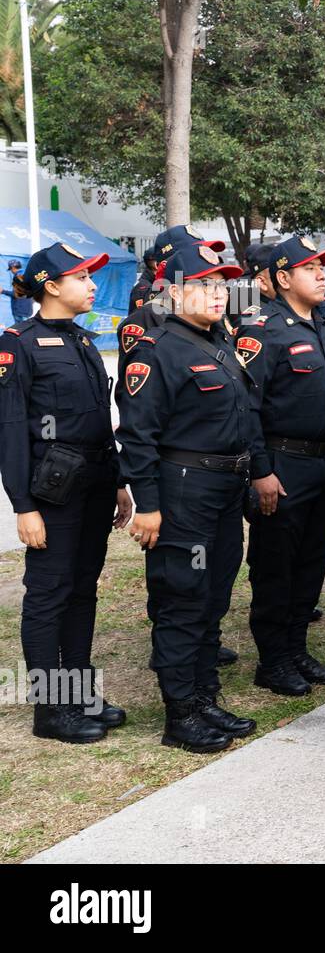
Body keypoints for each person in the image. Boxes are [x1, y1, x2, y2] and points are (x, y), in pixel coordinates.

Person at [116, 242, 258, 753]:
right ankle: (181, 714)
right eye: (203, 285)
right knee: (181, 599)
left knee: (213, 595)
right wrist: (148, 505)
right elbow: (137, 436)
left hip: (224, 490)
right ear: (173, 292)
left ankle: (204, 697)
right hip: (182, 491)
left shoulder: (219, 344)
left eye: (222, 285)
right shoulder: (156, 350)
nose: (217, 294)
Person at [0, 243, 131, 743]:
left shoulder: (81, 339)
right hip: (51, 494)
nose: (93, 285)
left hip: (94, 483)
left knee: (81, 590)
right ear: (51, 286)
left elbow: (100, 422)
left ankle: (78, 693)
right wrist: (23, 506)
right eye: (81, 277)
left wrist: (117, 482)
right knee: (48, 595)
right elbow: (11, 431)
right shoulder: (18, 344)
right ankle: (51, 709)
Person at [236, 236, 325, 696]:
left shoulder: (323, 325)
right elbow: (246, 408)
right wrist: (260, 471)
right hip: (283, 464)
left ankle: (297, 648)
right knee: (275, 565)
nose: (322, 275)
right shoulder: (262, 330)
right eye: (311, 269)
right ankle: (273, 660)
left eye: (323, 268)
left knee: (312, 561)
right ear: (282, 278)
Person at [4, 258, 34, 323]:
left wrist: (3, 291)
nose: (11, 271)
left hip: (20, 310)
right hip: (25, 309)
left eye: (11, 269)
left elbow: (17, 294)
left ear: (13, 268)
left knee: (22, 331)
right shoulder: (26, 274)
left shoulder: (18, 276)